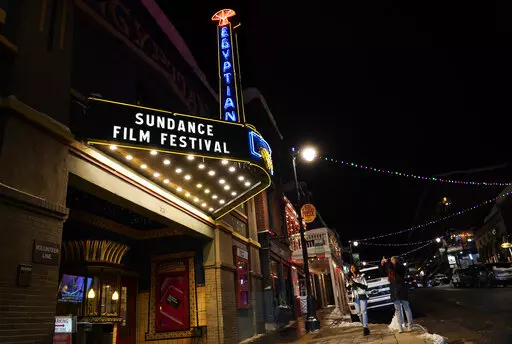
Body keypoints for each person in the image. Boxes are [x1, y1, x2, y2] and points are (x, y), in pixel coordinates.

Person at [380, 256, 414, 332]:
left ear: (397, 260)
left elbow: (394, 268)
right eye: (390, 260)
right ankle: (400, 327)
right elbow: (383, 272)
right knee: (397, 309)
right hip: (394, 290)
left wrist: (387, 261)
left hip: (401, 289)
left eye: (392, 259)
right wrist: (382, 265)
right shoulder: (390, 269)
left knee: (406, 307)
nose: (391, 261)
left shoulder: (400, 267)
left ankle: (410, 325)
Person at [346, 264, 370, 336]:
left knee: (364, 312)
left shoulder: (361, 276)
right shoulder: (349, 278)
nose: (352, 269)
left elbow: (365, 287)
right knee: (358, 313)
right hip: (355, 297)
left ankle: (365, 328)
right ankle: (365, 326)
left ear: (356, 268)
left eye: (353, 267)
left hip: (362, 295)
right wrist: (350, 285)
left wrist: (357, 284)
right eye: (351, 268)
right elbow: (348, 288)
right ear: (350, 270)